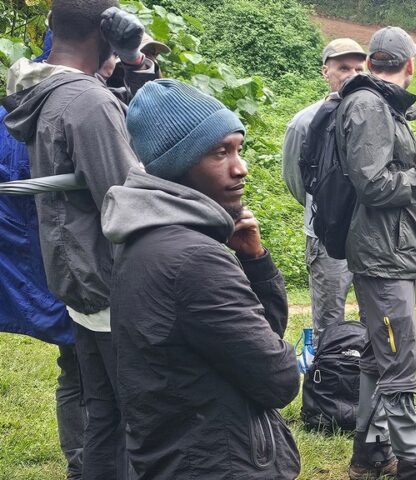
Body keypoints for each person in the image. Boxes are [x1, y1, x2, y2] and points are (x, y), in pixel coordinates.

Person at [102, 79, 300, 479]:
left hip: (178, 453)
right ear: (178, 164)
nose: (240, 167)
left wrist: (255, 262)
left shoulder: (144, 239)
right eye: (219, 152)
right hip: (220, 463)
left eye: (238, 149)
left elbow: (259, 335)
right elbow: (279, 380)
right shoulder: (195, 260)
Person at [2, 2, 145, 478]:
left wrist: (134, 65)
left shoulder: (38, 89)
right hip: (108, 275)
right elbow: (128, 198)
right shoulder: (89, 102)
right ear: (108, 31)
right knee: (131, 411)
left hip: (73, 272)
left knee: (102, 407)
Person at [337, 26, 416, 480]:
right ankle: (412, 466)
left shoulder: (379, 103)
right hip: (381, 256)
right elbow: (372, 185)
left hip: (391, 250)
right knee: (398, 361)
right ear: (409, 65)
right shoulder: (368, 105)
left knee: (377, 354)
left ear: (372, 62)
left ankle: (368, 455)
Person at [281, 38, 366, 346]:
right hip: (326, 238)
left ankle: (370, 385)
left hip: (372, 235)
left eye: (359, 68)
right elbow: (296, 181)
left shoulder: (376, 118)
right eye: (343, 67)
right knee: (329, 322)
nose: (352, 74)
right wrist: (328, 209)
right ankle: (329, 384)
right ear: (325, 71)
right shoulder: (304, 123)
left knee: (378, 317)